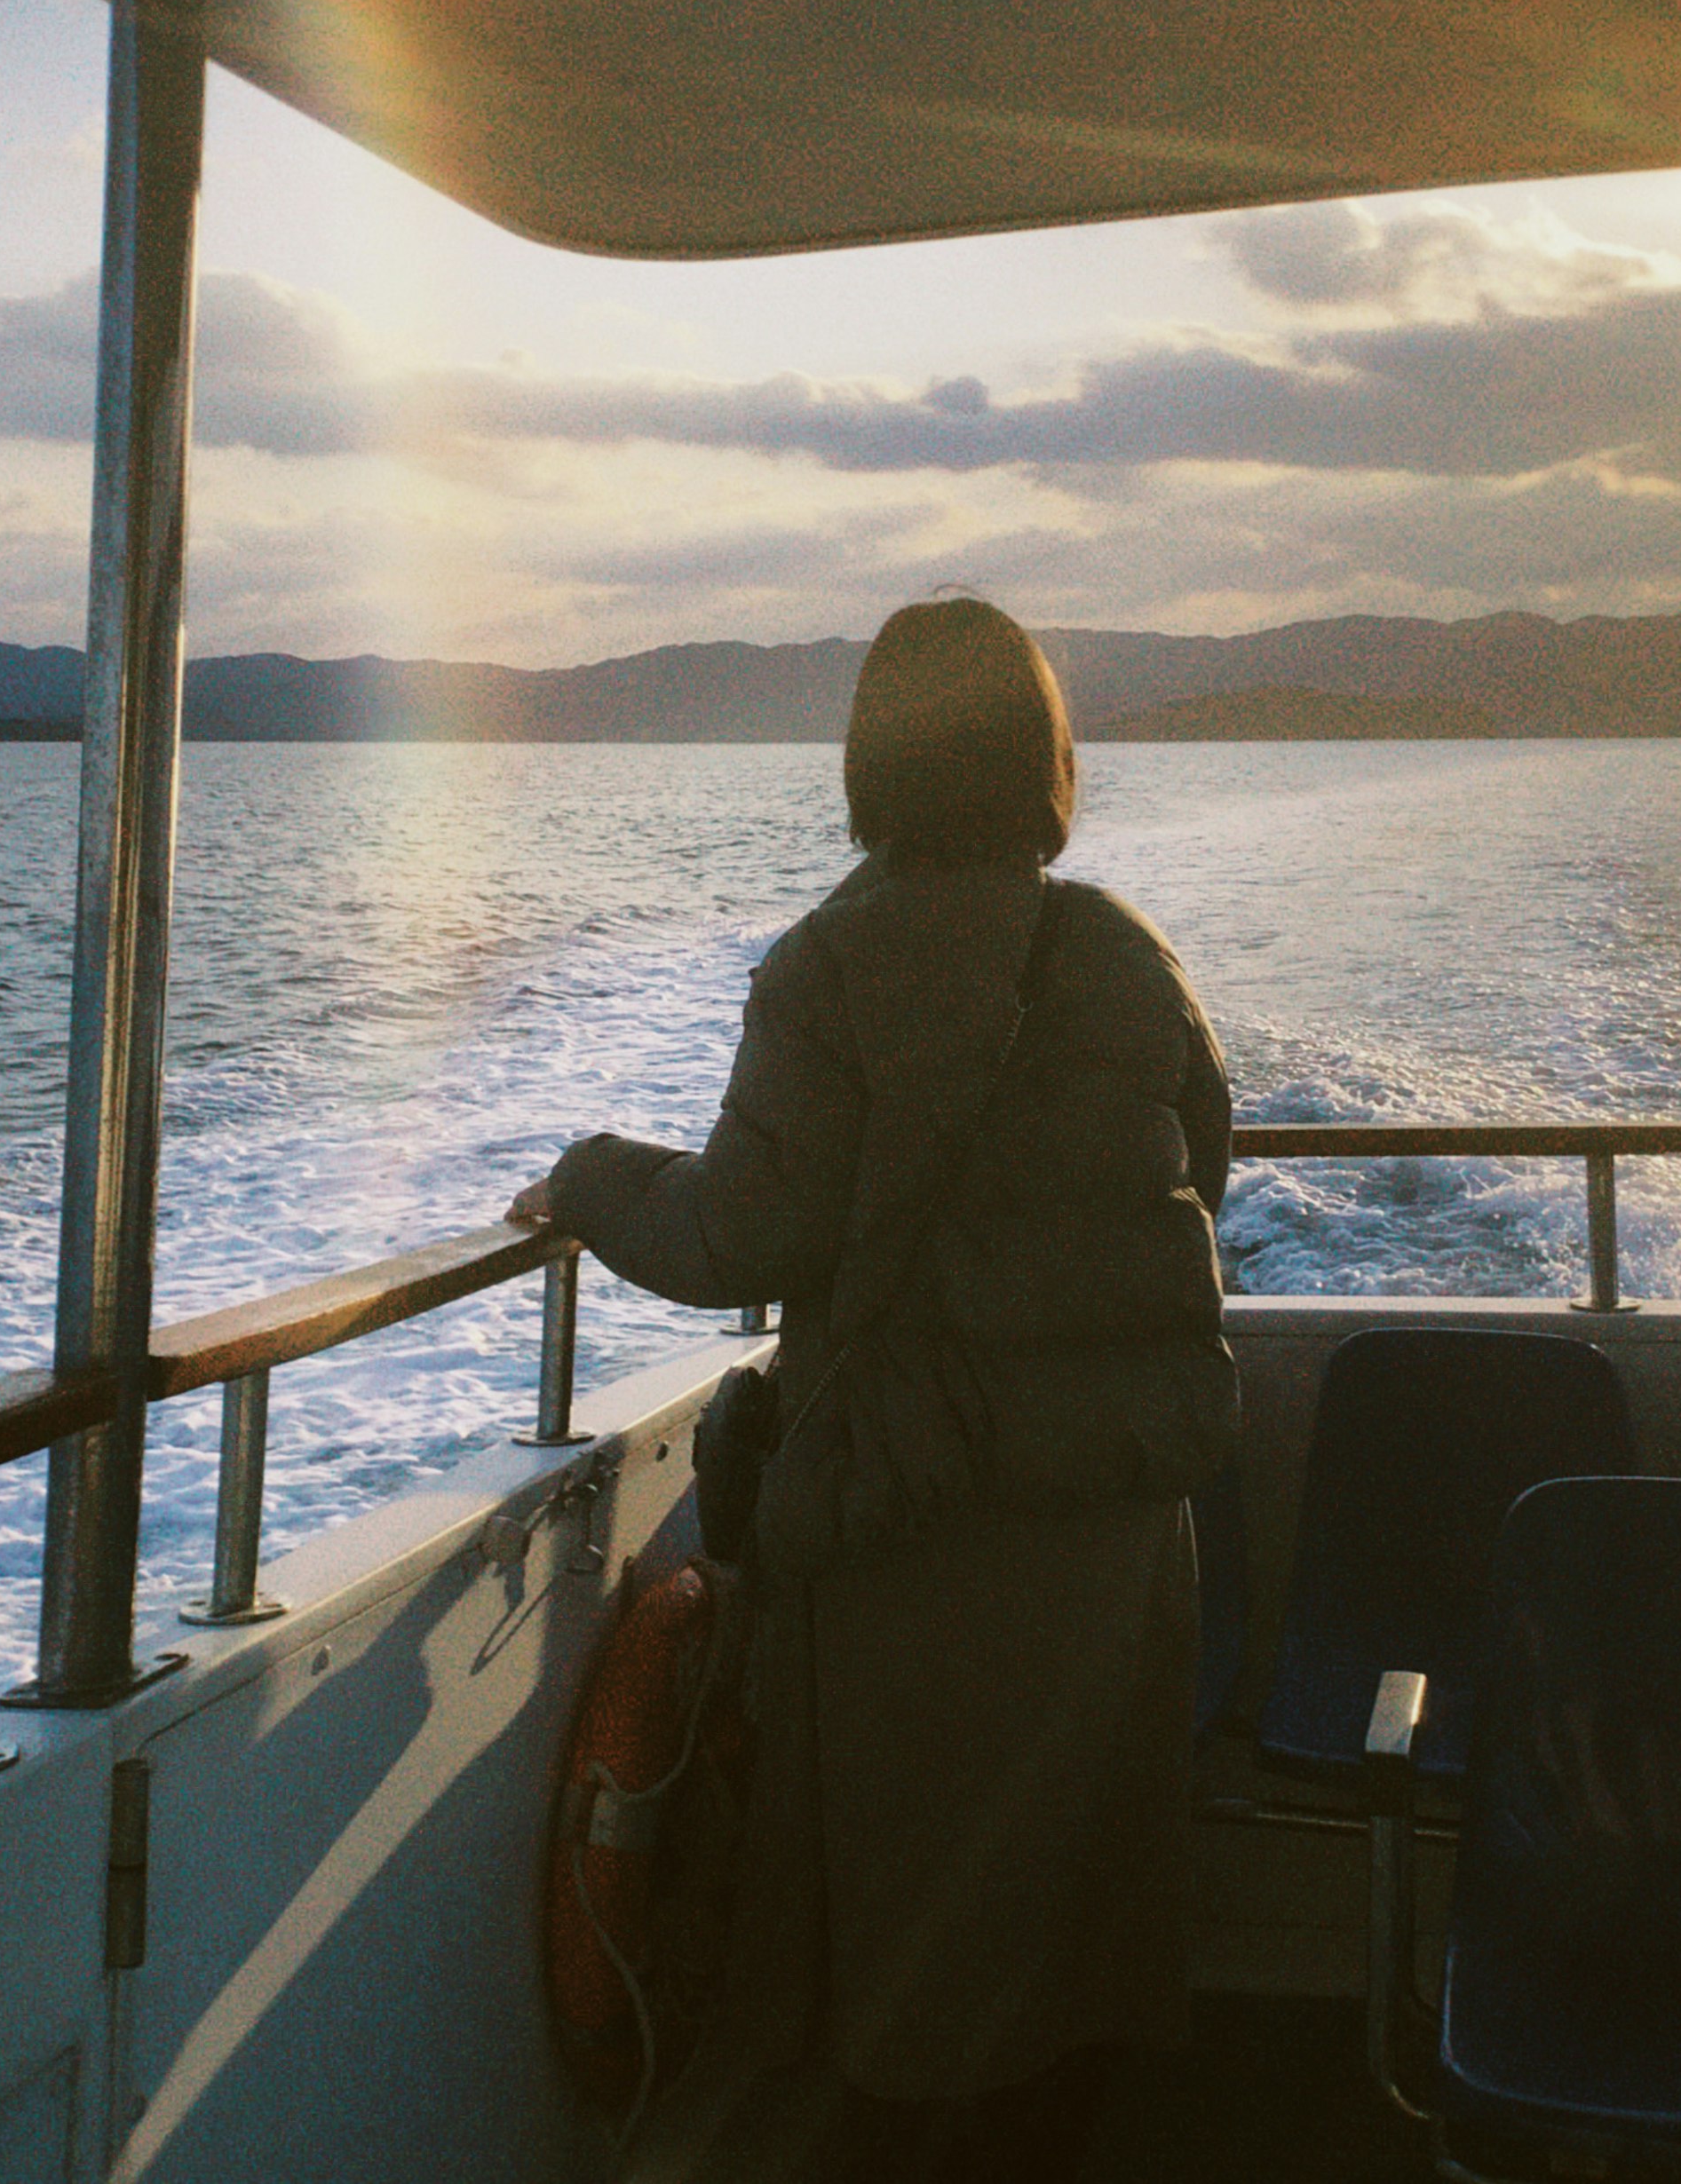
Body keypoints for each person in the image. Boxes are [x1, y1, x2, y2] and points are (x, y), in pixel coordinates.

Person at [508, 595, 1237, 2182]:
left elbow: (737, 1230)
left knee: (922, 1940)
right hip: (1114, 1518)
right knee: (1077, 1897)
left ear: (870, 762)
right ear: (1048, 757)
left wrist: (587, 1176)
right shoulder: (1126, 954)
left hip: (923, 1528)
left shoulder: (827, 970)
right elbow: (1207, 1167)